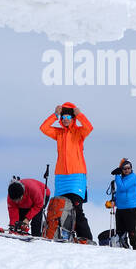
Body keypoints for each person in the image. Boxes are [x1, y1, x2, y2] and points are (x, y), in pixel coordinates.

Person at [38, 102, 93, 241]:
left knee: (77, 209)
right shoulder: (59, 133)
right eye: (63, 117)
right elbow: (43, 128)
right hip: (61, 178)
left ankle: (86, 238)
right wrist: (55, 115)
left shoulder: (79, 132)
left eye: (68, 116)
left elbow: (89, 127)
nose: (65, 119)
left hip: (77, 177)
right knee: (59, 208)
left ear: (73, 117)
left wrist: (79, 114)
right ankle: (61, 235)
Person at [108, 158, 136, 250]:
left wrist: (117, 175)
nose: (127, 170)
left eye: (129, 168)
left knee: (133, 234)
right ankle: (125, 253)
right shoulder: (121, 179)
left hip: (131, 209)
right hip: (120, 210)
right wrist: (113, 202)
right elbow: (120, 192)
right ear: (122, 170)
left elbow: (123, 187)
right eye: (124, 168)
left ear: (131, 168)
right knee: (121, 234)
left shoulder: (133, 177)